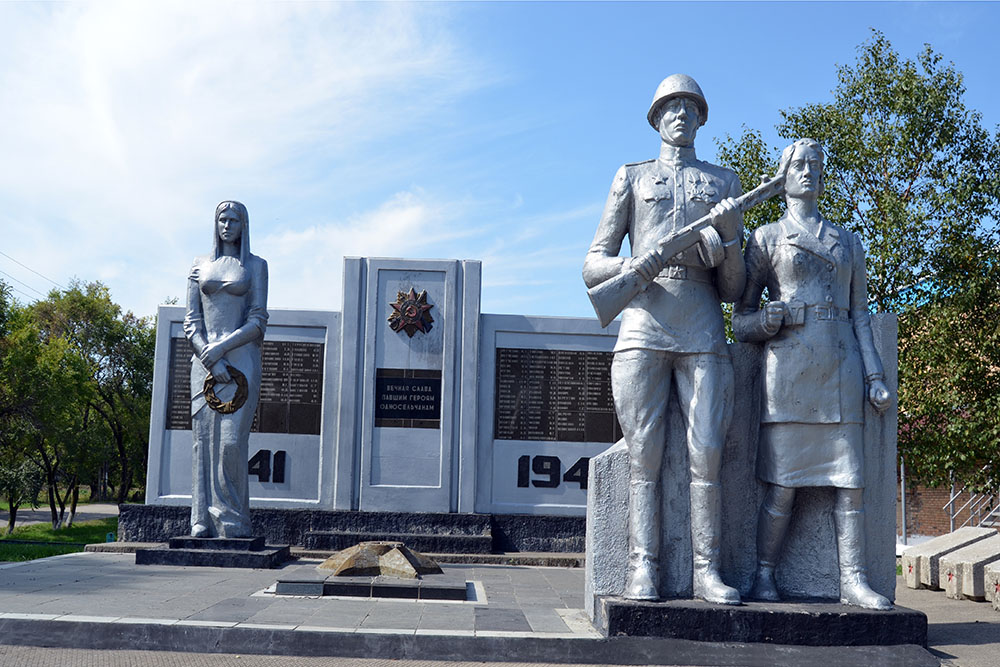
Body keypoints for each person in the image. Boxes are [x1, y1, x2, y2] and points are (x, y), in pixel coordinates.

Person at [583, 74, 744, 604]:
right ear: (655, 118)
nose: (680, 115)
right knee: (643, 457)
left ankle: (707, 573)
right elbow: (592, 266)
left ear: (701, 118)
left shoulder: (724, 183)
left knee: (707, 456)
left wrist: (728, 246)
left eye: (689, 107)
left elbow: (736, 289)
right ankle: (642, 568)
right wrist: (633, 263)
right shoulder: (632, 177)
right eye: (670, 107)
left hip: (701, 324)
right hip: (643, 322)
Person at [732, 139, 892, 609]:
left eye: (815, 166)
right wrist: (765, 320)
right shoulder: (765, 238)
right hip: (788, 372)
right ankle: (764, 575)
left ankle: (854, 581)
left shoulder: (847, 241)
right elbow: (740, 318)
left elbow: (860, 315)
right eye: (799, 165)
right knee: (783, 486)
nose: (808, 172)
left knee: (850, 482)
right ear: (783, 176)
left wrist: (874, 376)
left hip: (840, 371)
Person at [184, 200, 269, 538]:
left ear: (243, 225)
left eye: (234, 219)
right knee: (202, 441)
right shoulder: (198, 264)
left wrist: (222, 349)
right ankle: (201, 518)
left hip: (241, 361)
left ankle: (231, 518)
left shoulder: (256, 265)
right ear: (215, 223)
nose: (227, 225)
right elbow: (191, 321)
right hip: (203, 364)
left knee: (231, 443)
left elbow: (258, 320)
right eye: (222, 218)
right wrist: (209, 356)